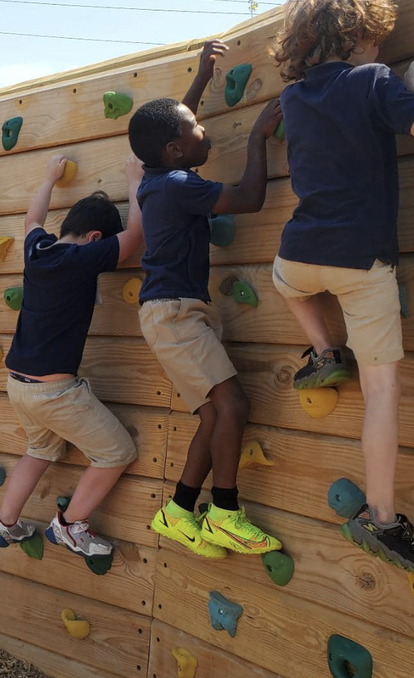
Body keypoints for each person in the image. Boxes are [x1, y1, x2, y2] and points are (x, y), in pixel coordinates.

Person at [269, 0, 414, 572]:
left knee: (282, 282)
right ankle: (379, 520)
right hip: (363, 261)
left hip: (299, 253)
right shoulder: (374, 80)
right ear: (362, 36)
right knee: (382, 391)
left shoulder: (293, 99)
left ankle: (325, 350)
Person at [132, 39, 284, 559]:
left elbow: (173, 125)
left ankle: (177, 511)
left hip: (174, 311)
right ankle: (224, 513)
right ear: (175, 150)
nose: (204, 129)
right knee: (234, 404)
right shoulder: (178, 185)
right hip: (175, 313)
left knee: (216, 415)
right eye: (195, 130)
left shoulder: (160, 176)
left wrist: (202, 77)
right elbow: (250, 198)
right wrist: (260, 136)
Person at [0, 154, 145, 559]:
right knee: (117, 453)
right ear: (94, 238)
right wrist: (134, 179)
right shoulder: (82, 259)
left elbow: (31, 221)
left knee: (41, 449)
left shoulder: (39, 250)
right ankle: (70, 526)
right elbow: (136, 237)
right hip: (54, 393)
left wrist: (50, 179)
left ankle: (4, 525)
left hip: (18, 385)